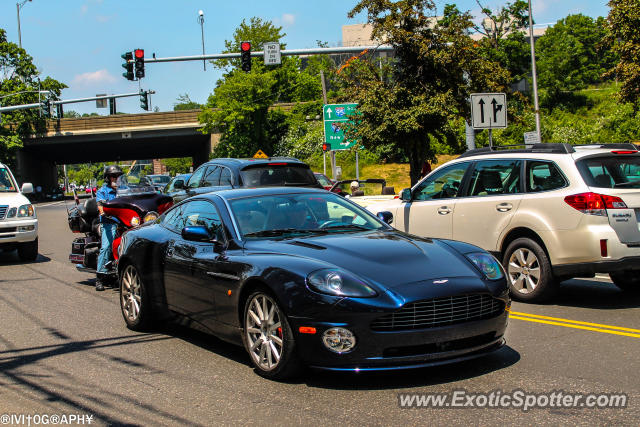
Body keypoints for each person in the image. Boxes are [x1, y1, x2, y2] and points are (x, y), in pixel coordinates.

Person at [95, 165, 123, 291]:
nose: (116, 178)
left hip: (124, 222)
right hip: (109, 222)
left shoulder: (124, 190)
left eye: (118, 176)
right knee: (106, 247)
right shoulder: (103, 191)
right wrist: (102, 211)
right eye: (113, 176)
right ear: (108, 178)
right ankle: (99, 277)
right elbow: (100, 204)